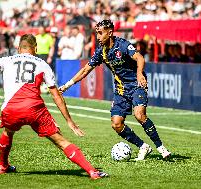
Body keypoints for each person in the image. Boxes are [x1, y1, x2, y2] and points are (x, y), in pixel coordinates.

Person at [0, 34, 108, 179]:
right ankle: (92, 171)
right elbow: (56, 95)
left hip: (11, 108)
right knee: (61, 141)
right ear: (35, 48)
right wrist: (69, 121)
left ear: (18, 48)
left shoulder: (6, 60)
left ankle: (3, 166)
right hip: (34, 109)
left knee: (8, 132)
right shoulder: (42, 64)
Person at [59, 20, 171, 161]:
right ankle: (143, 146)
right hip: (121, 90)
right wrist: (67, 85)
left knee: (139, 114)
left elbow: (140, 58)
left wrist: (139, 73)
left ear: (110, 32)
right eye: (97, 33)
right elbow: (85, 70)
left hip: (136, 85)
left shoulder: (123, 45)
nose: (98, 37)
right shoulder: (101, 51)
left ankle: (161, 148)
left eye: (100, 33)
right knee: (116, 124)